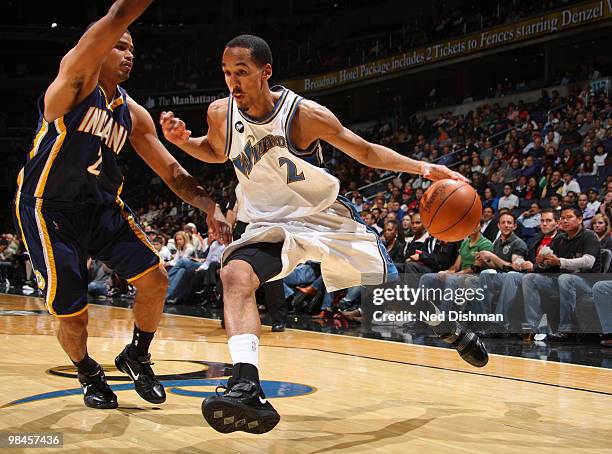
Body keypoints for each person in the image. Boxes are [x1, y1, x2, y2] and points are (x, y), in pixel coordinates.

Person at [160, 34, 488, 434]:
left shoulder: (304, 114)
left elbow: (365, 151)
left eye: (242, 73)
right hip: (268, 222)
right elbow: (216, 150)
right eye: (227, 73)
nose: (233, 82)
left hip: (323, 218)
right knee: (234, 275)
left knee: (390, 291)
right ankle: (247, 385)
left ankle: (445, 325)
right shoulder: (219, 112)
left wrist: (424, 169)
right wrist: (185, 142)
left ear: (266, 73)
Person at [13, 0, 229, 410]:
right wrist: (117, 24)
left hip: (101, 208)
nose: (128, 53)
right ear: (101, 45)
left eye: (132, 48)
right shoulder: (74, 82)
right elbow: (116, 18)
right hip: (49, 208)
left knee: (155, 279)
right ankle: (87, 372)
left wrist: (209, 204)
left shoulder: (132, 113)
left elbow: (172, 173)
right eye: (120, 46)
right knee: (72, 315)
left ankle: (137, 355)